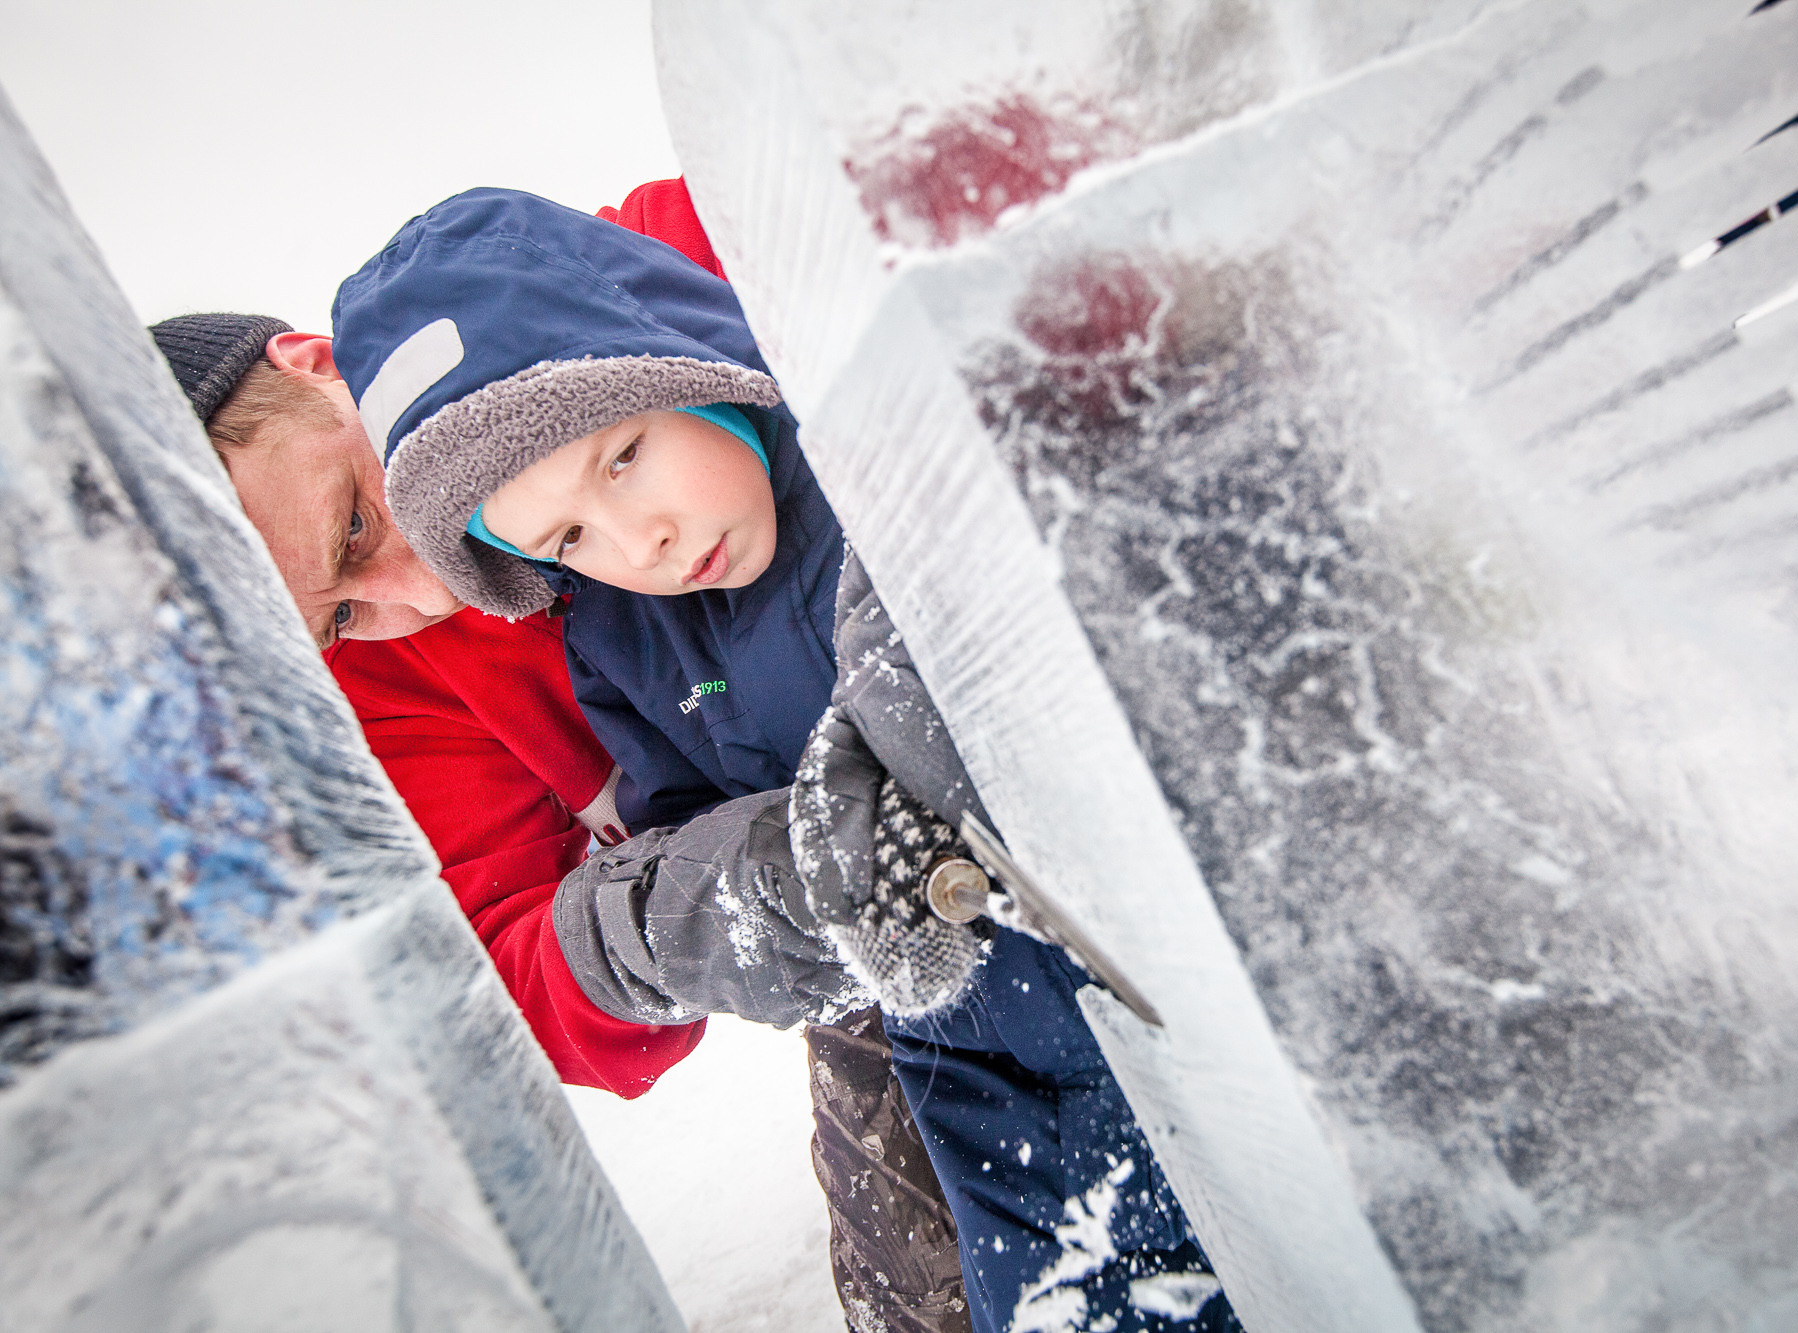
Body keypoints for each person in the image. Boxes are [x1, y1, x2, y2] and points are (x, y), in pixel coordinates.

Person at [329, 185, 1238, 1332]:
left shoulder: (868, 436)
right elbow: (676, 835)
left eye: (621, 459)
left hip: (1179, 944)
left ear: (677, 366)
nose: (637, 541)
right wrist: (766, 885)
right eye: (566, 540)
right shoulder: (618, 636)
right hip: (976, 1050)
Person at [147, 182, 970, 1333]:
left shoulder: (655, 267)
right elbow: (516, 968)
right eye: (335, 617)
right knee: (935, 1291)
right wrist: (706, 908)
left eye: (351, 522)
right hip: (878, 926)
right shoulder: (390, 689)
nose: (415, 593)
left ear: (318, 364)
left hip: (1047, 716)